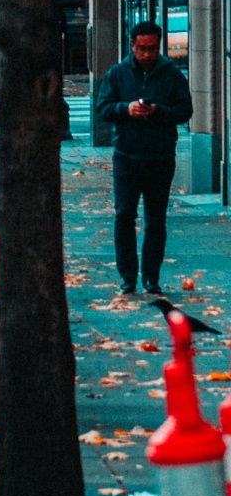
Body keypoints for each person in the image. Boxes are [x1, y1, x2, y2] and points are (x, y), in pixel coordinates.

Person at [95, 20, 194, 296]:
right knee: (124, 215)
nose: (146, 54)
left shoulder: (172, 75)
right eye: (141, 49)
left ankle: (151, 278)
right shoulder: (117, 74)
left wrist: (158, 111)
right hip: (126, 156)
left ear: (159, 46)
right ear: (132, 46)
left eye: (151, 48)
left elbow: (185, 111)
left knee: (155, 220)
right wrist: (125, 109)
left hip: (160, 157)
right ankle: (128, 277)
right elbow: (103, 107)